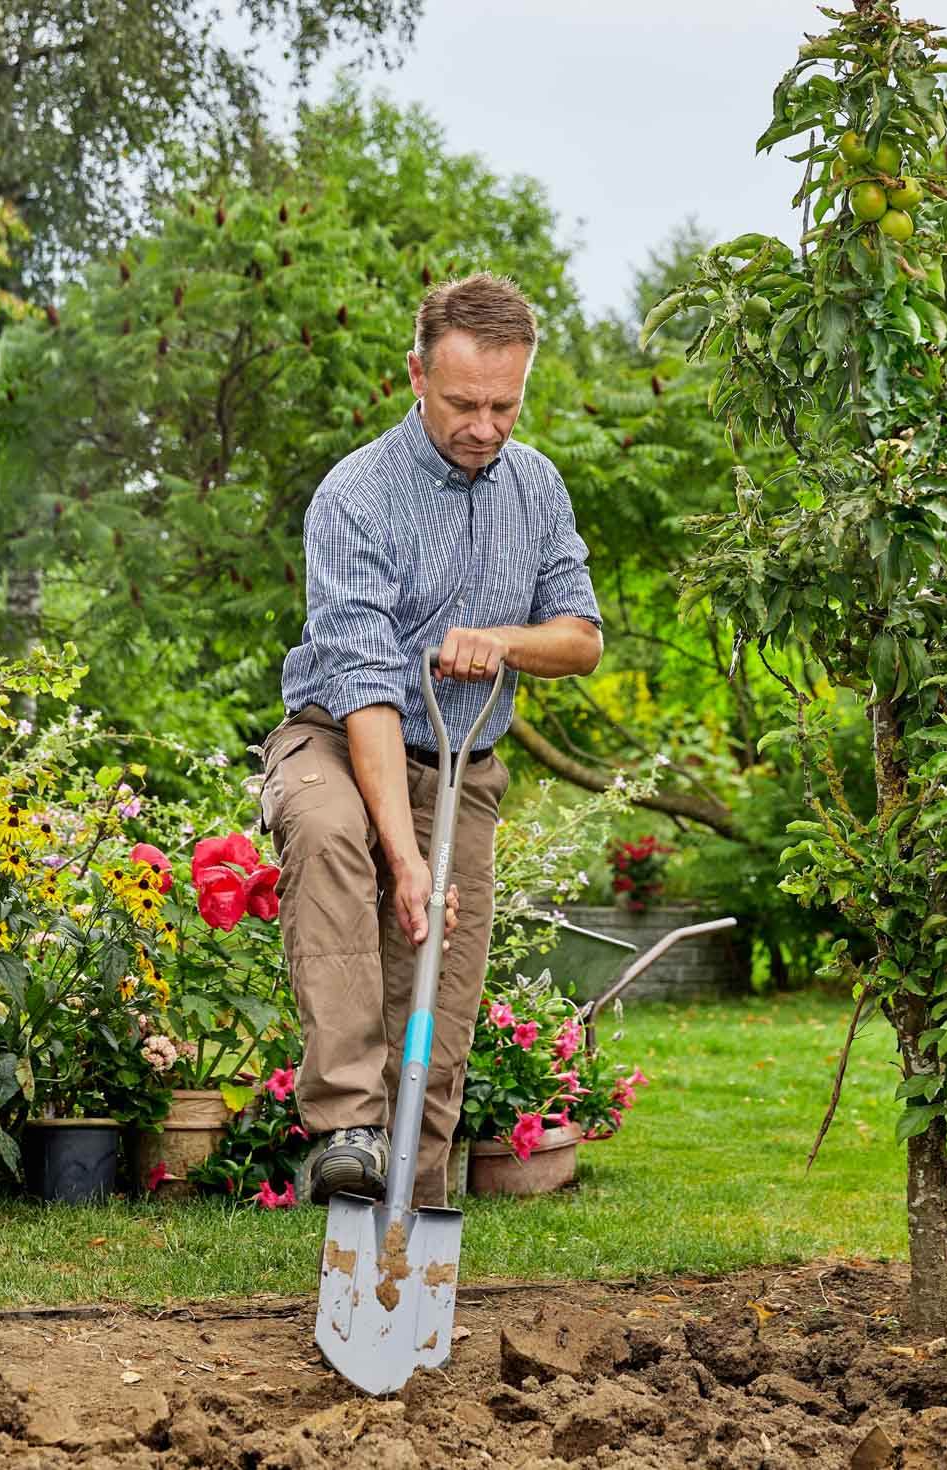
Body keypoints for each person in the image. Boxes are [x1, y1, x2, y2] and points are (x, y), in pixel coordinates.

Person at [255, 273, 602, 1209]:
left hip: (461, 764)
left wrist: (503, 642)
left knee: (438, 1017)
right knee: (330, 835)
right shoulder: (356, 497)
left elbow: (580, 637)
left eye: (505, 403)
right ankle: (346, 1127)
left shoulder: (537, 489)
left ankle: (399, 1238)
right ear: (416, 375)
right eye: (463, 403)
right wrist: (405, 859)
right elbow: (365, 688)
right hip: (337, 737)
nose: (485, 425)